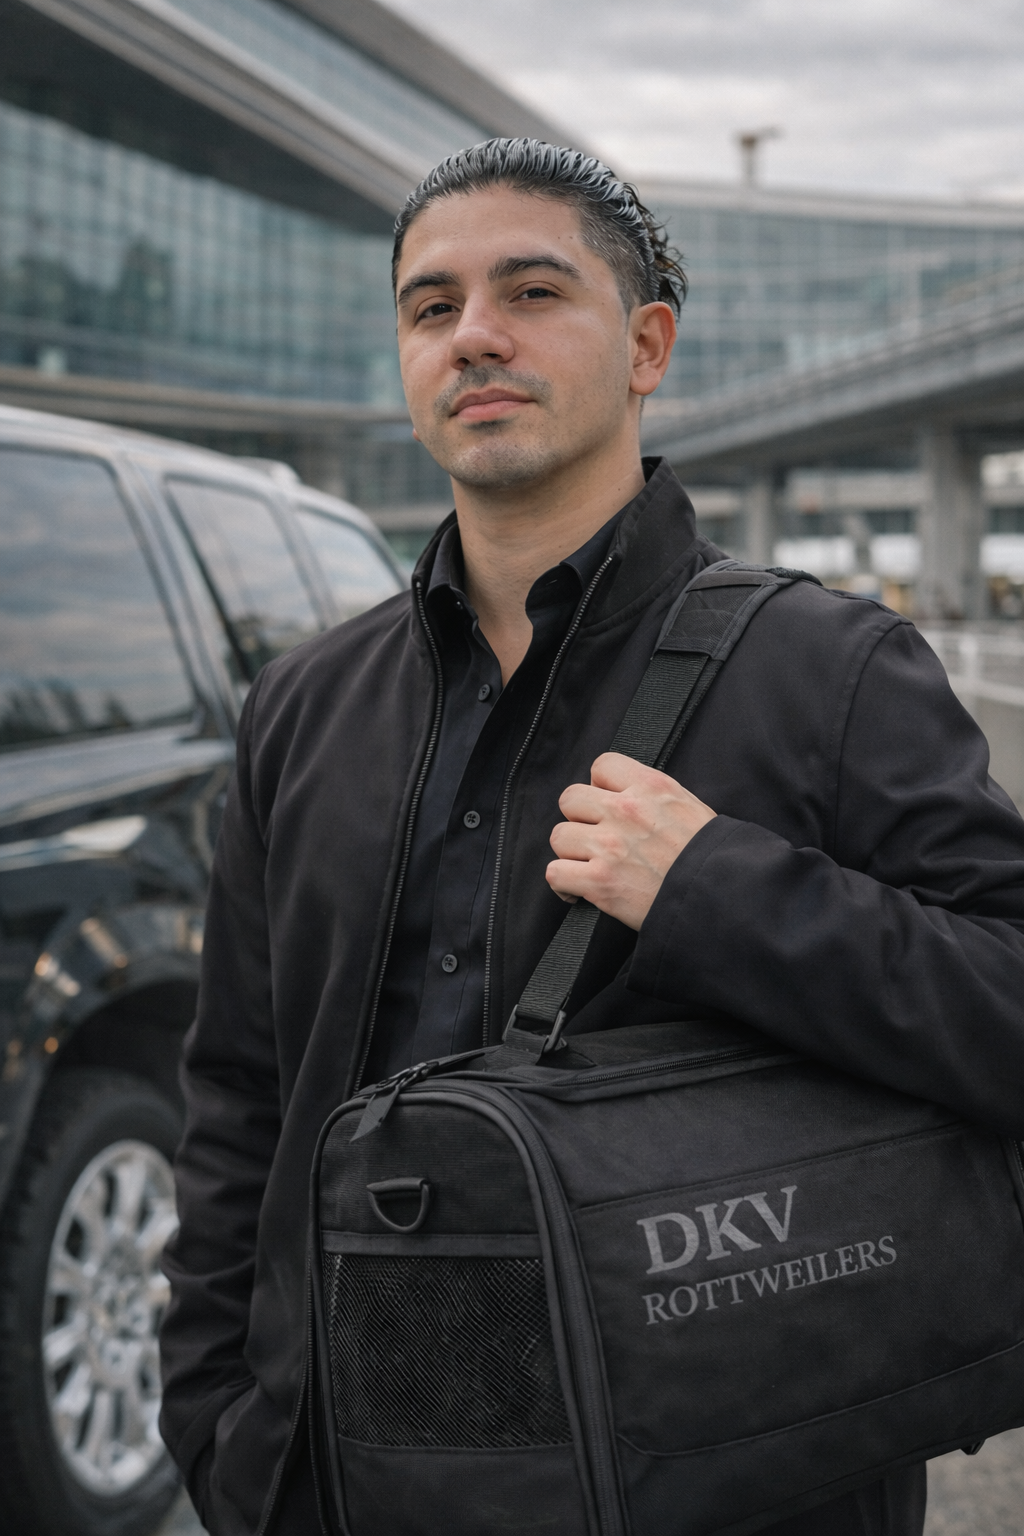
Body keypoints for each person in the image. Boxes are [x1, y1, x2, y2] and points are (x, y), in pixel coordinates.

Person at [160, 138, 1024, 1536]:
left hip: (729, 1486)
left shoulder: (834, 669)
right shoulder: (303, 708)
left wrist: (716, 890)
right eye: (431, 308)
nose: (475, 337)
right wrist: (221, 1430)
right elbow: (238, 1108)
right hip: (348, 1486)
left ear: (646, 346)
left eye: (532, 291)